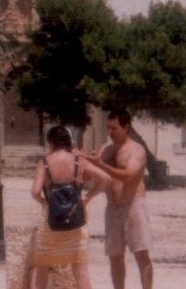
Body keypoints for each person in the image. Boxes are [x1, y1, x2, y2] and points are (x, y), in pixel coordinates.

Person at [30, 125, 111, 289]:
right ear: (68, 141)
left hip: (50, 223)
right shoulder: (78, 161)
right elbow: (106, 179)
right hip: (76, 221)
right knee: (80, 272)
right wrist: (87, 198)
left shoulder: (44, 162)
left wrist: (44, 203)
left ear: (50, 142)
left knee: (41, 271)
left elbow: (35, 191)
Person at [82, 108, 153, 289]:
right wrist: (79, 158)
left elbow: (127, 176)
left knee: (141, 255)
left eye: (115, 128)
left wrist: (100, 164)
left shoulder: (136, 150)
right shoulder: (107, 150)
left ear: (126, 127)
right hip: (113, 208)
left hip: (133, 206)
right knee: (115, 256)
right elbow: (100, 177)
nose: (110, 132)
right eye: (109, 128)